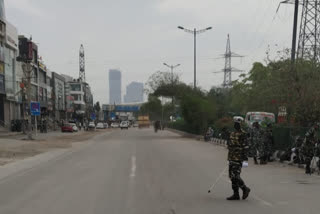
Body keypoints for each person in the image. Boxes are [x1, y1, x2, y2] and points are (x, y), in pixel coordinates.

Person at [226, 119, 251, 200]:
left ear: (240, 125)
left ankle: (245, 189)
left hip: (239, 157)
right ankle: (236, 194)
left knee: (235, 175)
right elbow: (229, 144)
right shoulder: (232, 133)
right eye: (235, 124)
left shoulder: (243, 134)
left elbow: (246, 147)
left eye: (238, 124)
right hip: (231, 157)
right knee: (232, 176)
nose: (236, 125)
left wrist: (245, 159)